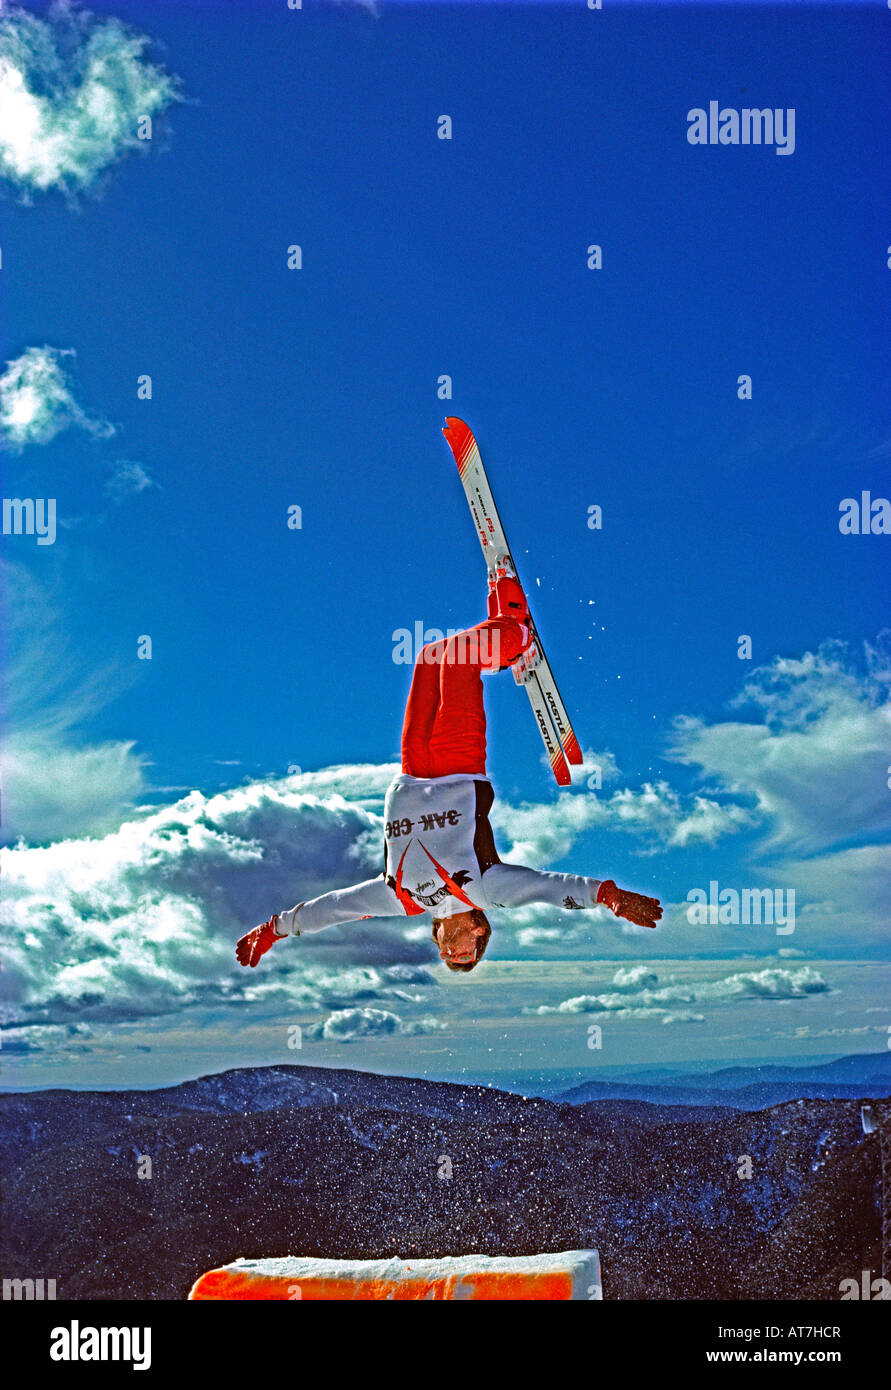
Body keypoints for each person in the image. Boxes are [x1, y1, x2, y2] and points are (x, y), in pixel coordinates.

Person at [236, 576, 661, 973]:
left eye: (445, 958)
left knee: (429, 656)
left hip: (413, 769)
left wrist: (276, 929)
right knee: (458, 658)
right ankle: (517, 634)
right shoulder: (485, 891)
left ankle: (499, 631)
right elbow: (545, 888)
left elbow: (334, 909)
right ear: (478, 931)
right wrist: (608, 896)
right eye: (462, 956)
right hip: (458, 764)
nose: (446, 952)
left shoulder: (400, 899)